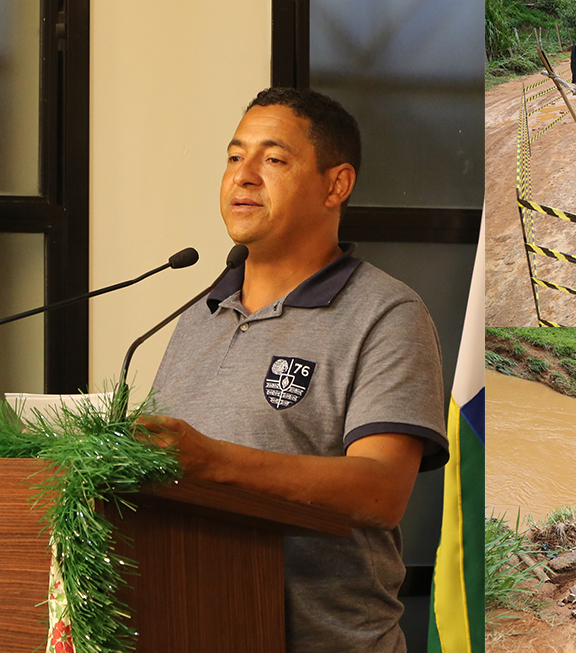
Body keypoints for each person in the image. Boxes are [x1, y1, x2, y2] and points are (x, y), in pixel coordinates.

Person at [142, 87, 448, 653]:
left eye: (273, 159)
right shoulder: (196, 316)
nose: (244, 176)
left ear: (337, 185)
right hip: (190, 628)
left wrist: (214, 461)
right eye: (235, 157)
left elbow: (381, 493)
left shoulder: (387, 314)